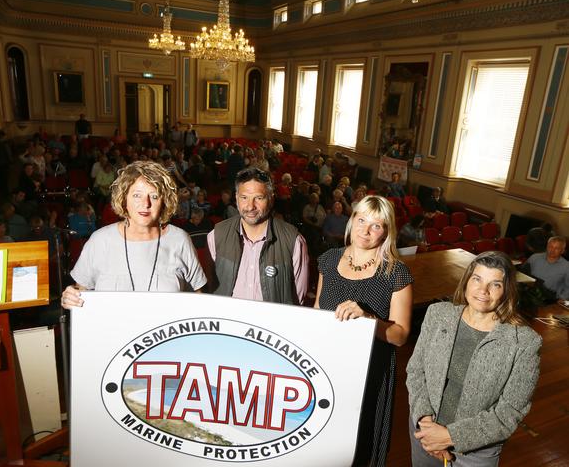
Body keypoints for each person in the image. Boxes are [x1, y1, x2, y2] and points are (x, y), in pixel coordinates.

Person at [406, 251, 542, 466]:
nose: (483, 290)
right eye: (477, 279)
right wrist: (424, 421)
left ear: (506, 291)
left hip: (476, 452)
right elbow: (416, 371)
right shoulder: (438, 314)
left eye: (495, 284)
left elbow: (510, 411)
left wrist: (450, 436)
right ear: (466, 280)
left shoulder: (524, 342)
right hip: (424, 433)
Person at [315, 195, 413, 466]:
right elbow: (316, 313)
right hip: (326, 368)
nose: (365, 230)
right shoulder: (328, 260)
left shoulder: (396, 273)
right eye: (361, 220)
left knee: (360, 446)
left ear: (387, 232)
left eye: (376, 225)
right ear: (352, 219)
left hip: (370, 372)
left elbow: (401, 335)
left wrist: (369, 319)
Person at [61, 161, 206, 308]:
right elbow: (80, 290)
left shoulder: (179, 240)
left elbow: (199, 298)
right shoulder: (100, 241)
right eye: (137, 195)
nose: (145, 203)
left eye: (154, 196)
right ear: (124, 199)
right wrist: (71, 297)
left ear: (164, 202)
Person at [207, 167, 309, 305]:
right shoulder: (216, 235)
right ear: (236, 198)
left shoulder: (294, 241)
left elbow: (297, 299)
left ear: (271, 199)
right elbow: (212, 288)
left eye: (259, 198)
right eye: (244, 198)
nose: (250, 206)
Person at [524, 236, 569, 302]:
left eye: (557, 248)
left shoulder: (566, 266)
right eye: (550, 246)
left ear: (562, 251)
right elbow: (523, 273)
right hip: (529, 294)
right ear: (546, 247)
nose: (552, 250)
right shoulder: (534, 258)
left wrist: (562, 298)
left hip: (550, 299)